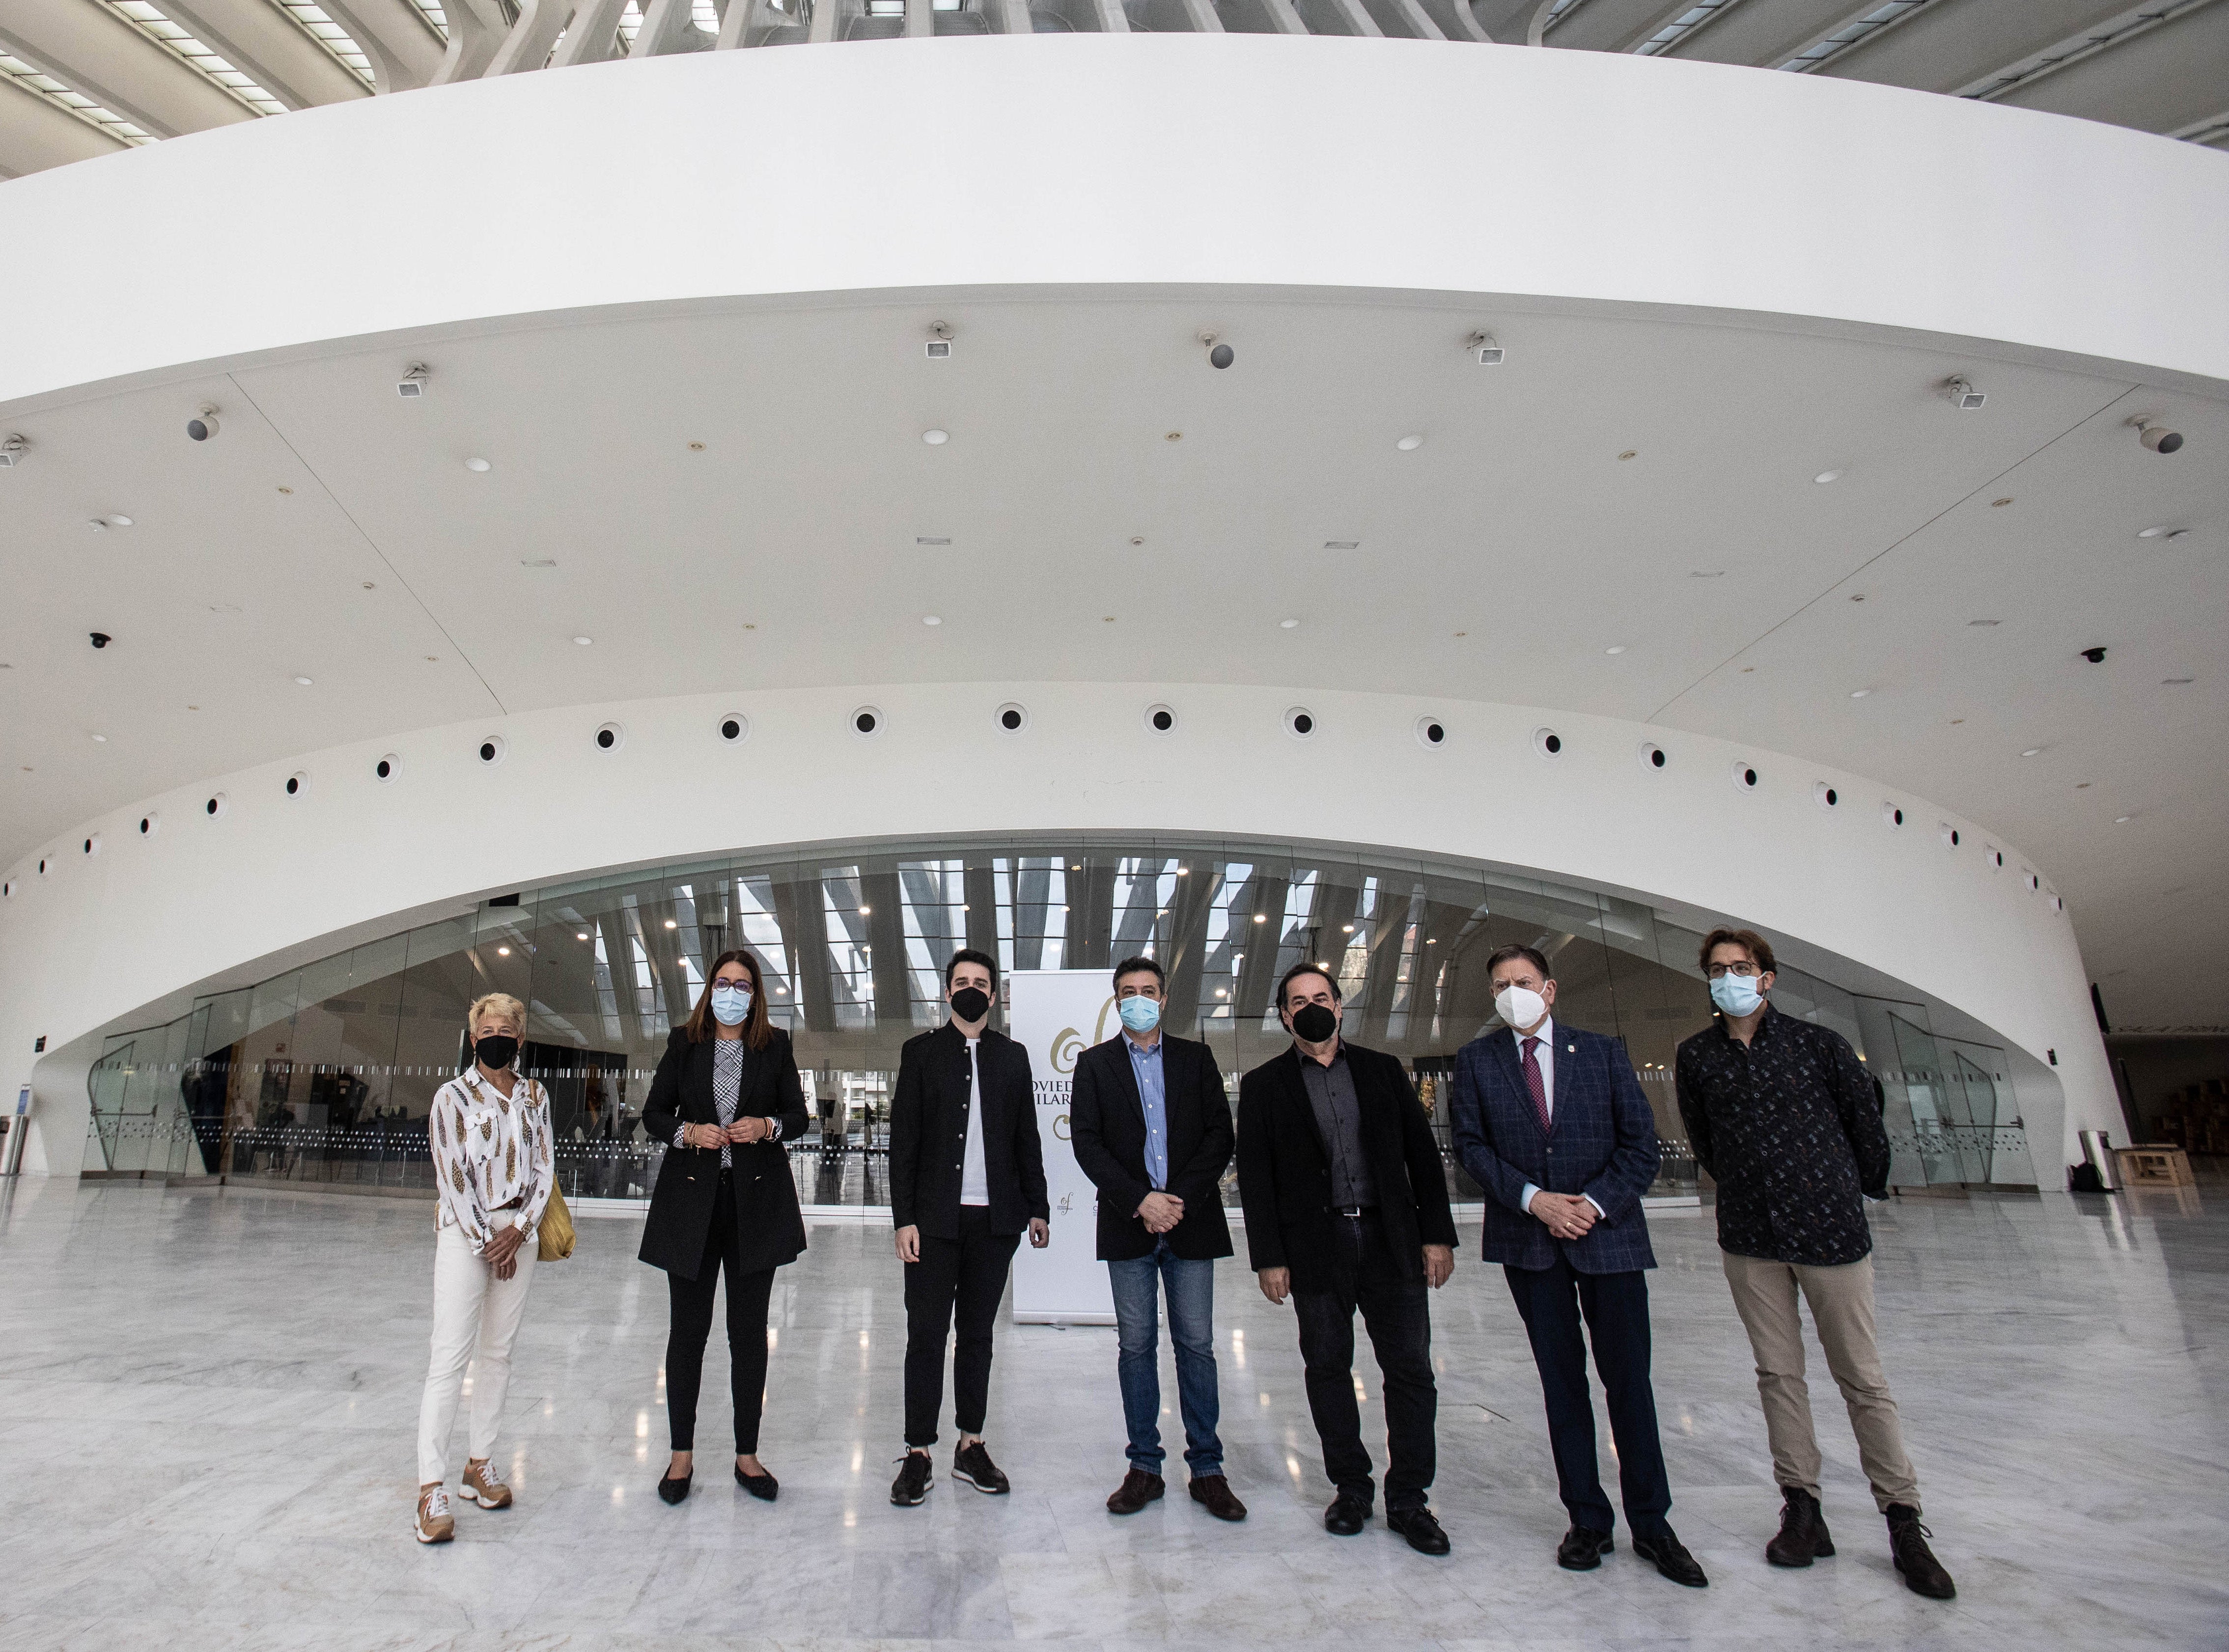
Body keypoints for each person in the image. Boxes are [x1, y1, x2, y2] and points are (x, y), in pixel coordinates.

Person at [1674, 927, 1956, 1599]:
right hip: (1750, 1237)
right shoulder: (1697, 1057)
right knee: (1778, 1374)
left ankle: (1902, 1518)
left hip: (1829, 1231)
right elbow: (1705, 1141)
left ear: (1766, 977)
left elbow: (1866, 1128)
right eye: (1717, 970)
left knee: (1861, 1377)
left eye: (1740, 967)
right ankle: (1801, 1506)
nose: (1729, 978)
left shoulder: (1818, 1047)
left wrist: (1833, 1186)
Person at [1449, 945, 1706, 1588]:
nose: (1514, 993)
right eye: (1502, 985)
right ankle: (1587, 1519)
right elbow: (1471, 1148)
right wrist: (1534, 1201)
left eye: (1524, 982)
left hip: (1607, 1238)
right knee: (1562, 1385)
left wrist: (1588, 1206)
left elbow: (1638, 1146)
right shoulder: (1476, 1062)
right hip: (1530, 1243)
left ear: (1551, 989)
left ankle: (1652, 1523)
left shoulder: (1601, 1053)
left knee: (1628, 1385)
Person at [1235, 963, 1458, 1555]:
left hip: (1391, 1242)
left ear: (1339, 1005)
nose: (1310, 1006)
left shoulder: (1384, 1072)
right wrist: (1268, 1258)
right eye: (1297, 1000)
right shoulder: (1263, 1085)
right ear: (1284, 1016)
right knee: (1327, 1367)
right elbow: (1256, 1180)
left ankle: (1409, 1497)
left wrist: (1437, 1235)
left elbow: (1422, 1156)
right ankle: (1351, 1488)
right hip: (1316, 1248)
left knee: (1410, 1370)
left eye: (1321, 996)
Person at [1069, 955, 1246, 1521]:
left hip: (1190, 1222)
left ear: (1164, 999)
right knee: (1135, 1347)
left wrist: (1177, 1201)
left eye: (1148, 990)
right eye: (1127, 991)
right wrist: (1140, 1200)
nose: (1138, 998)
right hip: (1128, 1223)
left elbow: (1221, 1134)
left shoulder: (1196, 1059)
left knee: (1196, 1345)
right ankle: (1144, 1465)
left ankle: (1207, 1469)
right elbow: (1087, 1142)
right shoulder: (1094, 1065)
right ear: (1115, 1000)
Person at [638, 948, 810, 1505]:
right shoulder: (683, 1042)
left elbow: (799, 1117)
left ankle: (746, 1454)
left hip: (754, 1207)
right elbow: (654, 1113)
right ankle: (680, 1456)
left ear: (755, 993)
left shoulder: (775, 1044)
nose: (731, 990)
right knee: (687, 1332)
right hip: (690, 1206)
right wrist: (689, 1133)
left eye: (742, 983)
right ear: (709, 988)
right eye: (722, 981)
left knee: (747, 1332)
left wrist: (766, 1125)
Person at [887, 949, 1050, 1505]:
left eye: (981, 983)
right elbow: (903, 1142)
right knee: (926, 1335)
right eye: (962, 982)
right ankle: (917, 1451)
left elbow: (1027, 1134)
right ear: (946, 991)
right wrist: (902, 1218)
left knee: (977, 1336)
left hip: (996, 1220)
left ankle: (970, 1443)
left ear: (995, 994)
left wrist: (1039, 1205)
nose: (972, 990)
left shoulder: (1012, 1055)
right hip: (932, 1222)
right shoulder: (921, 1053)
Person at [414, 992, 553, 1544]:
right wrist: (487, 1238)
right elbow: (452, 1174)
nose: (496, 1035)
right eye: (486, 1028)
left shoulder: (535, 1095)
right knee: (449, 1357)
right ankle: (430, 1487)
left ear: (519, 1039)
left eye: (507, 1028)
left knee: (497, 1352)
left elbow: (545, 1167)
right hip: (465, 1236)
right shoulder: (451, 1097)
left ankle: (480, 1464)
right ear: (474, 1039)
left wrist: (519, 1229)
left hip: (520, 1234)